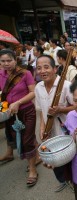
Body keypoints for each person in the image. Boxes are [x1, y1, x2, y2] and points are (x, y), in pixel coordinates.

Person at [35, 55, 75, 192]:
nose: (42, 71)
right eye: (39, 68)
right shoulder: (38, 87)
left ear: (55, 69)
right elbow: (41, 110)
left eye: (46, 67)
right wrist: (41, 127)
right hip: (49, 130)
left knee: (69, 157)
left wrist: (61, 109)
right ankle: (63, 180)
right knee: (53, 157)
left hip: (66, 129)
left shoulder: (66, 86)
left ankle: (74, 181)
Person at [0, 49, 38, 187]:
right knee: (15, 136)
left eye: (9, 60)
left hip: (27, 111)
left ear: (15, 60)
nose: (6, 64)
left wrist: (18, 102)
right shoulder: (0, 75)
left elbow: (33, 92)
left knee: (27, 139)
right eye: (3, 61)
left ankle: (32, 170)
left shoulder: (25, 73)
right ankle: (36, 156)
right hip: (10, 113)